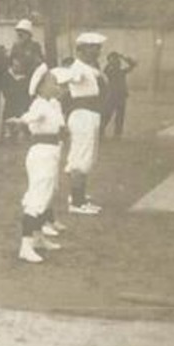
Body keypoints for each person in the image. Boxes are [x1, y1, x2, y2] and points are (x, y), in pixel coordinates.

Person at [7, 65, 68, 264]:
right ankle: (25, 245)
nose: (56, 85)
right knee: (37, 197)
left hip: (51, 153)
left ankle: (39, 238)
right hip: (41, 153)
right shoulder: (40, 104)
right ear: (41, 87)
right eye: (52, 81)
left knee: (47, 195)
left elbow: (59, 127)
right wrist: (19, 121)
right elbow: (30, 117)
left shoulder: (52, 104)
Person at [58, 33, 108, 214]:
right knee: (81, 157)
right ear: (80, 50)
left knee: (87, 157)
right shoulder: (78, 68)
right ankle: (77, 203)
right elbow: (68, 79)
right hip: (82, 115)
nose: (97, 51)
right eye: (92, 47)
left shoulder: (91, 68)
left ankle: (78, 196)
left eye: (97, 47)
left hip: (91, 115)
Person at [2, 20, 45, 141]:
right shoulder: (16, 46)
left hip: (28, 81)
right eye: (19, 32)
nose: (20, 35)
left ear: (29, 34)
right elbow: (10, 61)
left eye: (23, 32)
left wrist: (28, 65)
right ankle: (9, 131)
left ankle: (24, 132)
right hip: (15, 80)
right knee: (11, 106)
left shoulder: (34, 46)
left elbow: (39, 62)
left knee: (25, 106)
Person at [101, 51, 138, 139]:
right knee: (107, 114)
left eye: (116, 59)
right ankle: (101, 130)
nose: (115, 61)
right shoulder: (109, 69)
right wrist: (113, 61)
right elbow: (106, 70)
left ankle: (117, 133)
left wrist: (123, 57)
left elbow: (133, 65)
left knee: (120, 115)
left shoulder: (121, 70)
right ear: (109, 60)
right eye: (113, 59)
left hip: (121, 95)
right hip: (112, 95)